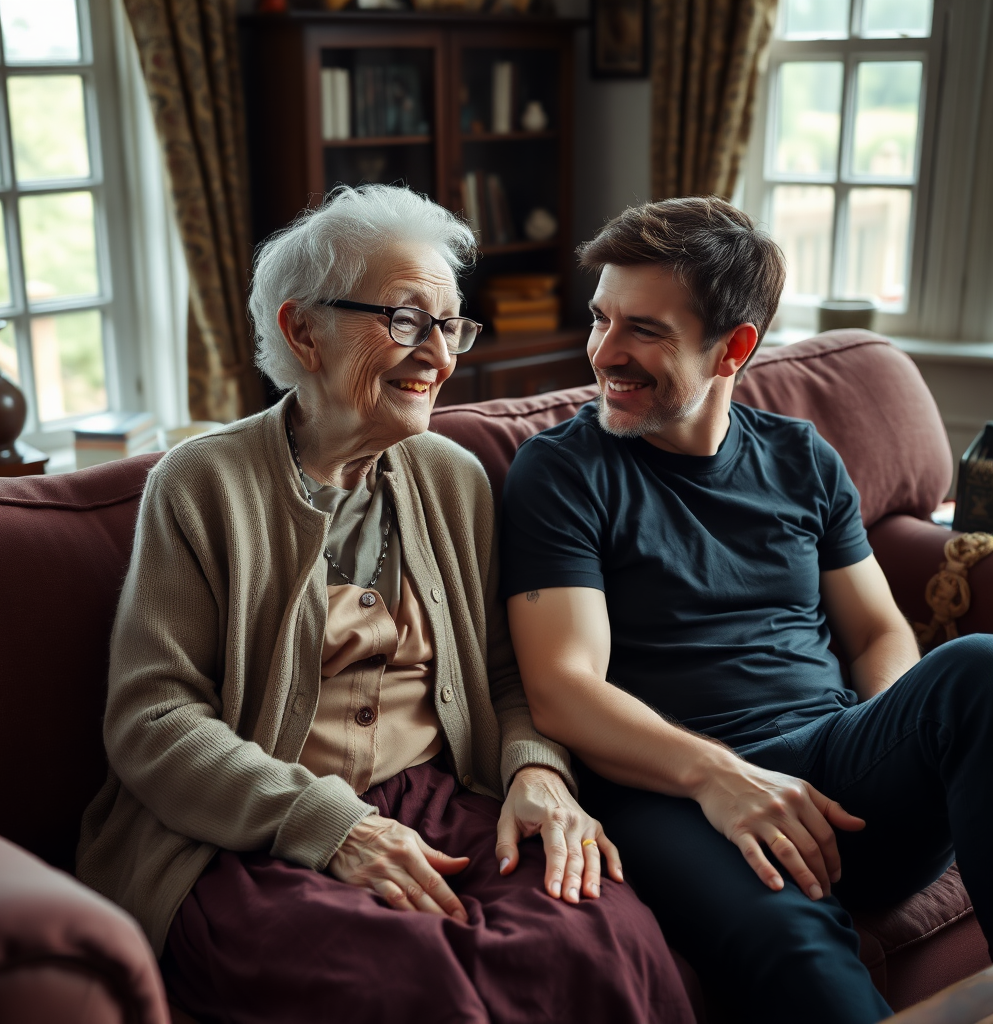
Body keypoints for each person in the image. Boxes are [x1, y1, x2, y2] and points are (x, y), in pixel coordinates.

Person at [76, 185, 696, 1024]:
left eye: (450, 327)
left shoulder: (454, 478)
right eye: (405, 321)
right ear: (303, 331)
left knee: (604, 937)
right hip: (246, 829)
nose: (437, 355)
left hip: (440, 800)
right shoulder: (201, 484)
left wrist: (538, 771)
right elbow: (152, 719)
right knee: (409, 987)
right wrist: (331, 825)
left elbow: (511, 674)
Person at [500, 195, 993, 1024]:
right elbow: (562, 687)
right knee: (797, 955)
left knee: (977, 668)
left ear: (733, 349)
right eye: (599, 319)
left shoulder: (802, 457)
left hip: (829, 761)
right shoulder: (562, 473)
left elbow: (878, 631)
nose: (604, 354)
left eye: (644, 330)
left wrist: (882, 750)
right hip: (670, 793)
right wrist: (724, 778)